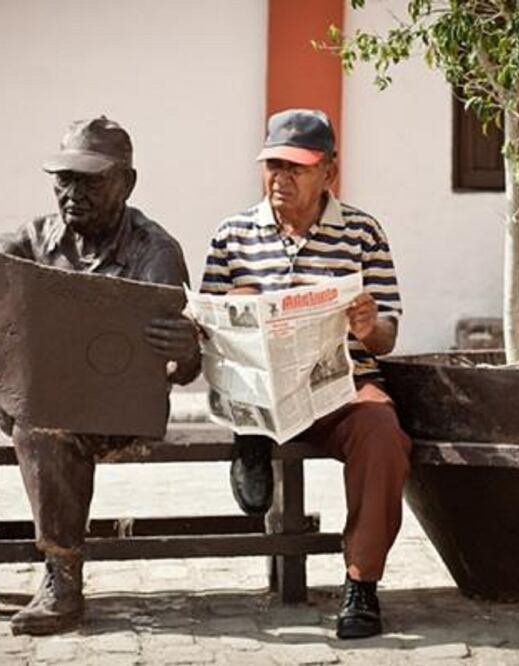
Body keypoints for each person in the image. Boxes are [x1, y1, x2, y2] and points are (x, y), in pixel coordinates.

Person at [0, 116, 200, 635]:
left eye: (90, 180)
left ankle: (62, 585)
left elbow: (185, 368)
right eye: (64, 178)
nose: (72, 192)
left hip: (118, 411)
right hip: (42, 398)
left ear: (127, 182)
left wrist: (184, 349)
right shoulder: (34, 236)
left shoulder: (155, 251)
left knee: (41, 424)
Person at [201, 108, 412, 639]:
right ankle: (250, 437)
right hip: (260, 391)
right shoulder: (232, 234)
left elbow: (388, 335)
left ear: (329, 173)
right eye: (273, 164)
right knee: (247, 334)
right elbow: (206, 331)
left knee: (382, 431)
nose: (281, 177)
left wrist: (368, 325)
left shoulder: (362, 232)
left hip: (339, 386)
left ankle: (361, 585)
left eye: (296, 167)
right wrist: (230, 310)